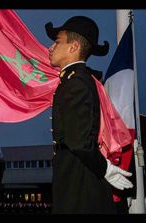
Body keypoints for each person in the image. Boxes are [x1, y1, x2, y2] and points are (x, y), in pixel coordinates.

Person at [45, 16, 133, 214]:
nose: (51, 47)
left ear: (73, 47)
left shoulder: (76, 83)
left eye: (58, 41)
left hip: (79, 184)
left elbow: (78, 142)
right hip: (78, 178)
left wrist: (106, 170)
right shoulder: (76, 79)